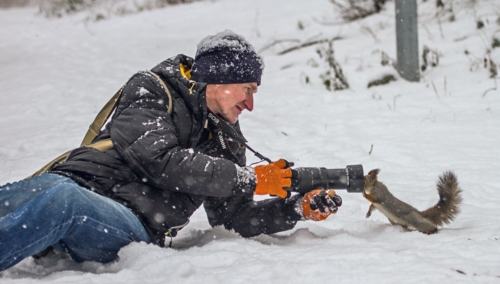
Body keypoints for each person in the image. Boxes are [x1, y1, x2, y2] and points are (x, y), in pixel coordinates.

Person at [0, 30, 342, 271]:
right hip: (71, 183)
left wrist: (295, 208)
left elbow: (233, 219)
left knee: (62, 199)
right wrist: (249, 179)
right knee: (49, 190)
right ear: (220, 79)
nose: (250, 104)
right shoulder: (152, 89)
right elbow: (159, 160)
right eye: (247, 89)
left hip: (128, 225)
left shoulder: (226, 138)